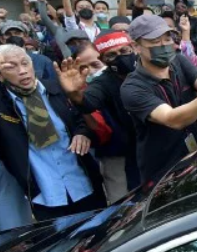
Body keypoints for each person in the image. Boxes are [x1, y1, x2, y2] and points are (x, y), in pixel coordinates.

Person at [0, 45, 105, 220]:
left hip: (84, 183)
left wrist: (82, 133)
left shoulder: (57, 87)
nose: (22, 71)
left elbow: (83, 117)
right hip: (45, 194)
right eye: (11, 67)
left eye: (25, 63)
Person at [118, 14, 197, 185]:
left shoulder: (177, 60)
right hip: (163, 170)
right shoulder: (132, 87)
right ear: (136, 47)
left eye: (168, 38)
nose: (164, 45)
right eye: (155, 42)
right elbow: (172, 119)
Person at [60, 31, 140, 201]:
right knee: (126, 204)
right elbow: (87, 104)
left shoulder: (146, 70)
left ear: (134, 48)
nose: (120, 57)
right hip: (119, 156)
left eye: (124, 51)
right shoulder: (101, 83)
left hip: (155, 148)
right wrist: (75, 95)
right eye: (111, 55)